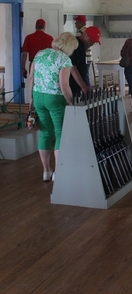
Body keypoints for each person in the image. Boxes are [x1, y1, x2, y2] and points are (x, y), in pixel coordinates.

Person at [29, 32, 78, 182]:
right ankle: (58, 171)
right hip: (55, 99)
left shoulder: (39, 54)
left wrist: (31, 98)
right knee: (59, 133)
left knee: (44, 133)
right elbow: (64, 85)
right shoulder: (64, 59)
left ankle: (46, 171)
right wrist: (71, 101)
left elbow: (31, 78)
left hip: (38, 96)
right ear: (69, 46)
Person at [69, 26, 102, 97]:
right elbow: (72, 68)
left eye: (94, 42)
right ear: (84, 34)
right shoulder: (76, 46)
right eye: (91, 40)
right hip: (71, 84)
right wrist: (83, 86)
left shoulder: (81, 46)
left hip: (76, 84)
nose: (92, 43)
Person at [73, 14, 93, 86]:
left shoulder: (83, 31)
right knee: (84, 77)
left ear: (81, 22)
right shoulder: (82, 31)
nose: (75, 23)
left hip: (85, 58)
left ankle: (88, 93)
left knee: (84, 77)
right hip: (85, 58)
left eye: (76, 21)